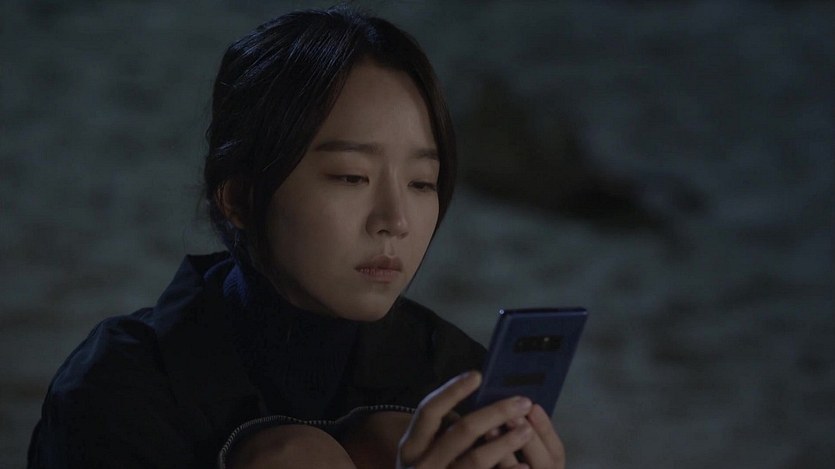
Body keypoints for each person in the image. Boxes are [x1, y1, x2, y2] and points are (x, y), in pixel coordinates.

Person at [27, 5, 566, 468]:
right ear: (239, 199)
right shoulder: (124, 384)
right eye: (351, 177)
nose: (396, 220)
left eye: (422, 182)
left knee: (392, 435)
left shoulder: (449, 374)